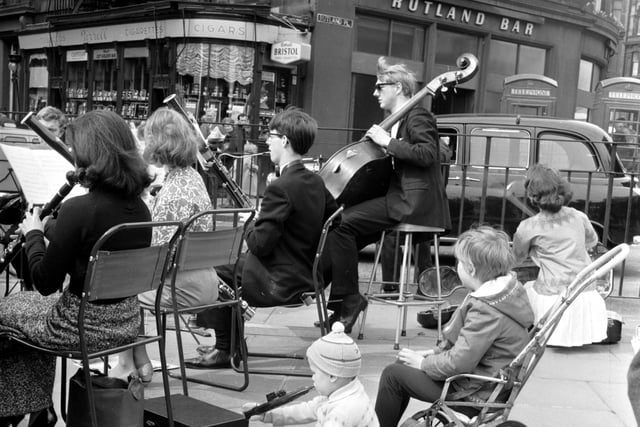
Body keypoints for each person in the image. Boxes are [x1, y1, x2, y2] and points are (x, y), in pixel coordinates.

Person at [0, 110, 152, 425]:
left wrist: (33, 234)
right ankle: (35, 406)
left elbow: (44, 282)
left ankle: (21, 407)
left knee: (7, 313)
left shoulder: (78, 209)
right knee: (23, 317)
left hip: (75, 327)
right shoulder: (141, 209)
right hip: (123, 325)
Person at [185, 109, 338, 368]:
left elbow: (259, 245)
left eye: (272, 136)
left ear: (286, 141)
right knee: (227, 264)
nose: (268, 141)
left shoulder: (280, 187)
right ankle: (231, 345)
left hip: (280, 280)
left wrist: (251, 221)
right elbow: (336, 220)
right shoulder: (315, 181)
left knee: (211, 269)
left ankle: (227, 349)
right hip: (306, 273)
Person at [322, 56, 451, 333]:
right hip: (398, 198)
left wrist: (387, 142)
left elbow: (429, 154)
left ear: (399, 88)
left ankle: (350, 303)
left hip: (411, 203)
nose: (375, 92)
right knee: (340, 228)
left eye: (380, 86)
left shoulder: (417, 115)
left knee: (342, 227)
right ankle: (341, 305)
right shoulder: (396, 120)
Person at [374, 226, 534, 427]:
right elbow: (469, 348)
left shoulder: (486, 311)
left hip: (473, 393)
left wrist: (424, 363)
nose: (457, 266)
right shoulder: (505, 295)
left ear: (471, 269)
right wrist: (432, 353)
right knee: (402, 365)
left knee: (393, 375)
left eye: (459, 262)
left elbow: (460, 362)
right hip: (484, 380)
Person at [109, 107, 220, 382]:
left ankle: (129, 361)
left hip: (182, 286)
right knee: (127, 282)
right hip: (205, 278)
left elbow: (157, 260)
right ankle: (140, 359)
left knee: (117, 289)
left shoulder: (172, 193)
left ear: (158, 143)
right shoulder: (193, 177)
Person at [512, 163, 608, 347]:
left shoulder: (528, 227)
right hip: (584, 288)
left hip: (553, 293)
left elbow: (516, 258)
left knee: (528, 288)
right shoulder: (579, 216)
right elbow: (592, 241)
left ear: (533, 196)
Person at [242, 322, 379, 426]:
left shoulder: (344, 412)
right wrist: (269, 414)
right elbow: (308, 410)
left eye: (314, 373)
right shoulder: (342, 391)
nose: (312, 377)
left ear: (332, 376)